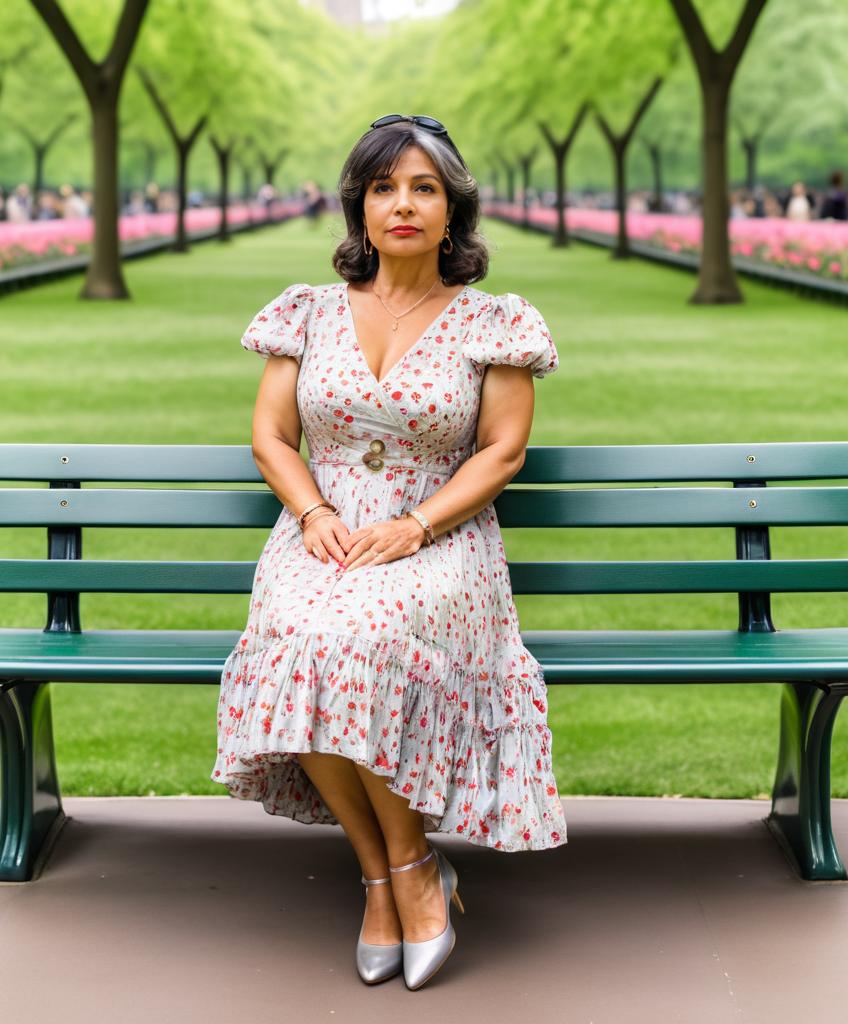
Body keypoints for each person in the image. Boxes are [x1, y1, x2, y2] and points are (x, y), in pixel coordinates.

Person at [211, 113, 567, 990]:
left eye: (423, 188)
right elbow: (271, 435)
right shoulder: (309, 311)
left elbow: (503, 451)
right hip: (324, 532)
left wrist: (415, 526)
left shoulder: (494, 322)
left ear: (454, 211)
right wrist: (311, 513)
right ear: (359, 208)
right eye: (383, 188)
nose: (401, 204)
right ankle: (398, 877)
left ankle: (397, 874)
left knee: (362, 634)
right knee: (305, 633)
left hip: (438, 540)